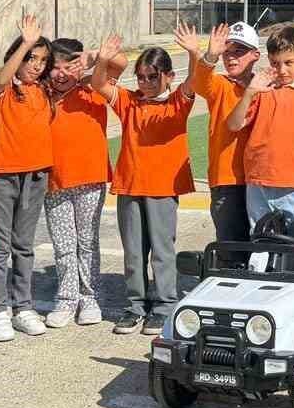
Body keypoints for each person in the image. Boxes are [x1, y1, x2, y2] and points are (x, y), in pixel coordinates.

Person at [93, 38, 194, 336]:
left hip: (163, 188)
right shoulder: (129, 101)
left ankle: (163, 306)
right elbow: (99, 83)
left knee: (162, 251)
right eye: (141, 77)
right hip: (130, 185)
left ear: (168, 77)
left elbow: (197, 80)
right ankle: (136, 306)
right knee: (134, 252)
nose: (146, 82)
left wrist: (194, 53)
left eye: (153, 76)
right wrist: (102, 59)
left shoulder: (178, 102)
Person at [0, 12, 54, 343]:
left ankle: (22, 307)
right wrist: (25, 41)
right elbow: (0, 79)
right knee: (0, 247)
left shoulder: (44, 91)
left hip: (37, 175)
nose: (37, 65)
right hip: (5, 177)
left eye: (42, 59)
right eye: (30, 58)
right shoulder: (2, 92)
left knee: (24, 246)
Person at [228, 25, 294, 225]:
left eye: (289, 63)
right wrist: (249, 93)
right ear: (269, 61)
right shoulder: (260, 91)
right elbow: (234, 125)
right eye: (276, 63)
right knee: (260, 242)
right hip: (258, 180)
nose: (282, 70)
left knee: (292, 244)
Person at [42, 36, 112, 329]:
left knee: (87, 242)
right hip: (54, 181)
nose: (60, 73)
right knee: (63, 245)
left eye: (67, 66)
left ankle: (89, 296)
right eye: (54, 67)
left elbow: (119, 62)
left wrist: (94, 57)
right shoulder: (42, 93)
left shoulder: (93, 87)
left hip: (91, 178)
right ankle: (66, 298)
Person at [179, 19, 258, 242]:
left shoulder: (264, 86)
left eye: (239, 51)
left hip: (260, 179)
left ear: (255, 55)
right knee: (230, 248)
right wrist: (208, 55)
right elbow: (199, 82)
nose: (231, 56)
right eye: (227, 51)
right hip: (227, 181)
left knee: (262, 249)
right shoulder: (221, 85)